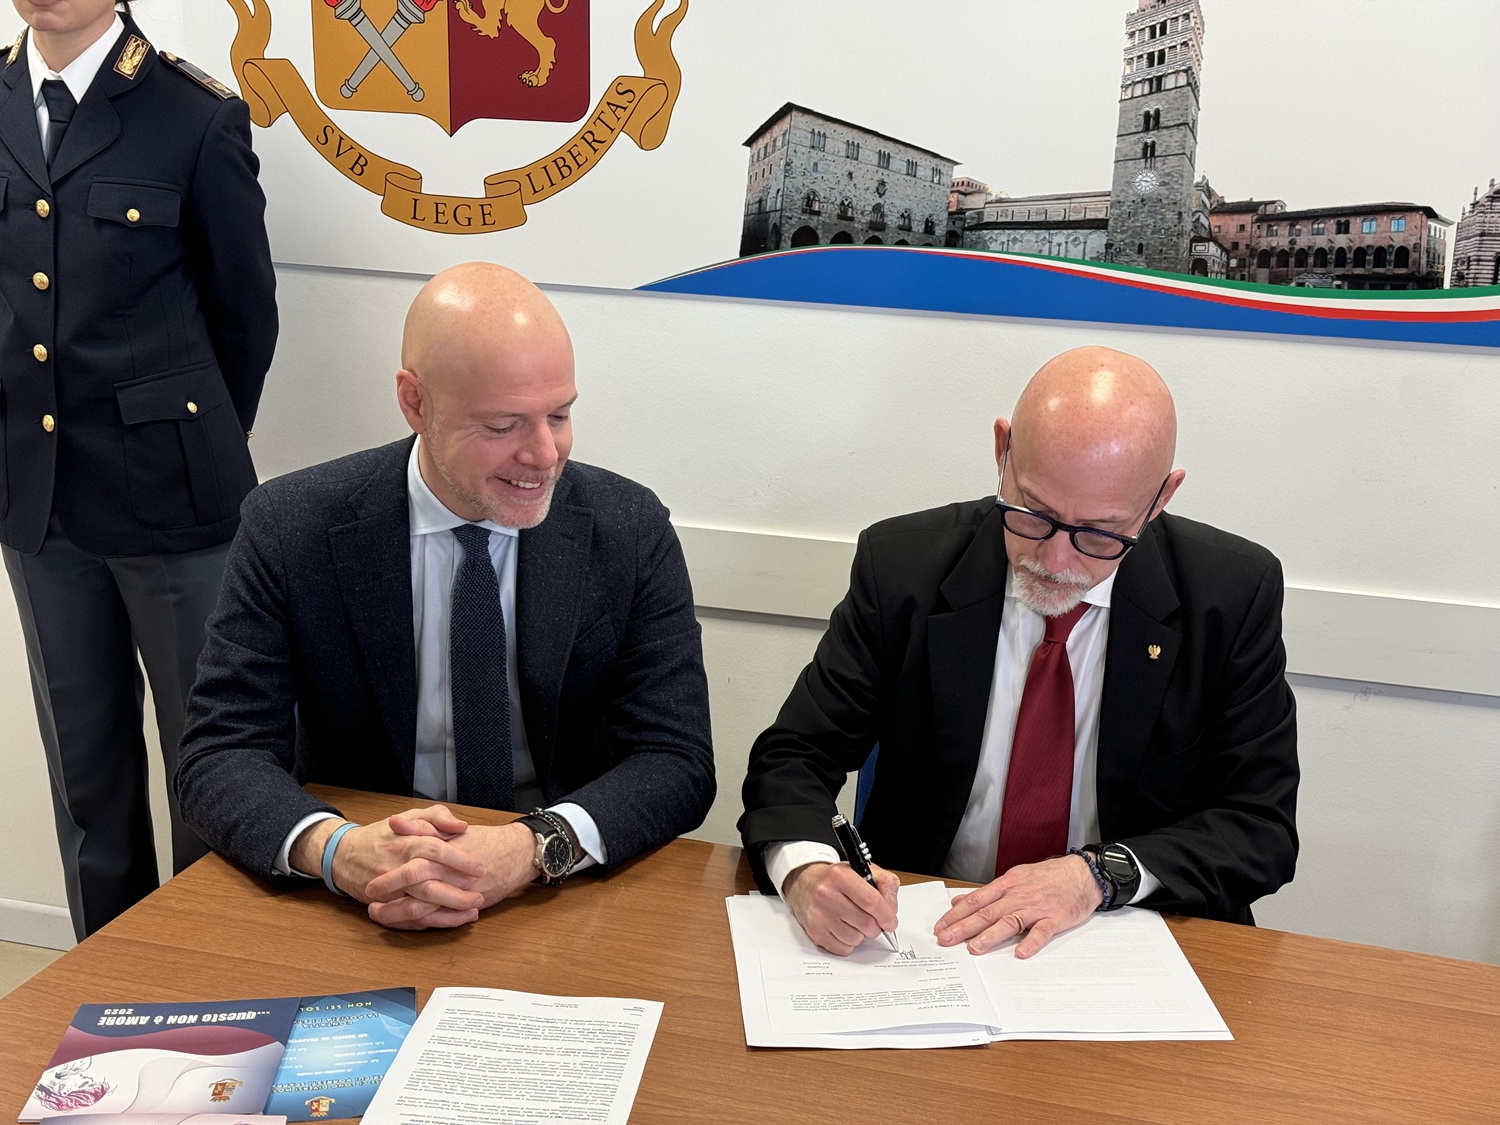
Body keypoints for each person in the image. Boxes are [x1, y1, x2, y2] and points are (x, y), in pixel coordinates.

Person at [175, 261, 715, 930]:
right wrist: (337, 850)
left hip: (560, 893)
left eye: (559, 414)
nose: (545, 454)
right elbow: (219, 753)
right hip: (359, 892)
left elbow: (676, 759)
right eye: (503, 426)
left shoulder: (629, 528)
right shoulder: (291, 527)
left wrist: (534, 845)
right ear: (415, 402)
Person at [740, 346, 1298, 959]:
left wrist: (1098, 875)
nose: (1054, 561)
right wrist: (806, 869)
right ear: (1002, 450)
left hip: (1124, 942)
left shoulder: (1229, 594)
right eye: (1034, 513)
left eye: (1100, 533)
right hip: (932, 940)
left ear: (1160, 499)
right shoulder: (902, 568)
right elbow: (795, 755)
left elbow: (1260, 827)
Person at [0, 0, 278, 938]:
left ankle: (210, 984)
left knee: (210, 771)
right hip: (37, 500)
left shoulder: (193, 114)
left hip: (173, 502)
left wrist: (188, 442)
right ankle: (106, 987)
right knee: (88, 779)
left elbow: (245, 315)